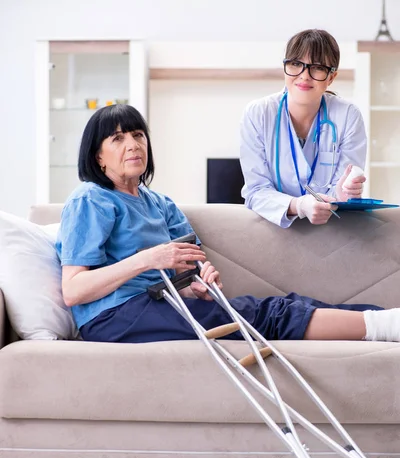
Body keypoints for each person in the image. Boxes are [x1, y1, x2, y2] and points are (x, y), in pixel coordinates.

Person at [56, 104, 400, 346]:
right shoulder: (91, 199)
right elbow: (73, 290)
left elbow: (190, 271)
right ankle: (383, 327)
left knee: (289, 304)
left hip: (159, 305)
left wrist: (198, 284)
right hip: (114, 318)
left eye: (137, 135)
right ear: (98, 156)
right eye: (116, 139)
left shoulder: (160, 204)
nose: (132, 144)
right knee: (272, 314)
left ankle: (387, 320)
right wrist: (148, 259)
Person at [240, 29, 367, 228]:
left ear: (331, 77)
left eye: (316, 67)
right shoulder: (259, 113)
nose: (304, 76)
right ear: (285, 68)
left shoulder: (348, 116)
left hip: (331, 230)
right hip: (273, 230)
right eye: (296, 64)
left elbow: (339, 191)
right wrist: (298, 205)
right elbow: (255, 191)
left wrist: (344, 193)